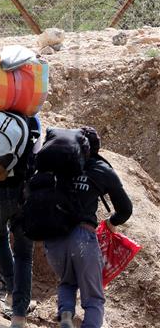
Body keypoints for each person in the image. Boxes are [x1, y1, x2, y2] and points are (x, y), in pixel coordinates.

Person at [43, 127, 132, 328]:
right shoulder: (102, 169)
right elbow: (125, 209)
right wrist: (111, 223)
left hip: (53, 239)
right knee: (94, 298)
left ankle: (66, 315)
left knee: (67, 281)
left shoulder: (59, 165)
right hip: (82, 238)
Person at [0, 115, 42, 328]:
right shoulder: (32, 121)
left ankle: (11, 290)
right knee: (24, 255)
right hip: (21, 196)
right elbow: (38, 157)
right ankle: (19, 316)